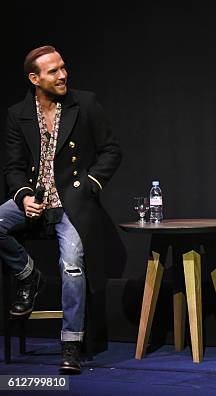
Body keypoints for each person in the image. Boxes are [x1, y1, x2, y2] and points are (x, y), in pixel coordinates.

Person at [1, 45, 124, 373]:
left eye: (63, 67)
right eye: (53, 71)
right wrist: (23, 196)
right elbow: (13, 167)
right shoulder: (18, 114)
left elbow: (111, 150)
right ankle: (28, 276)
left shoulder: (84, 103)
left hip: (72, 203)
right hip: (35, 201)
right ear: (34, 78)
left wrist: (91, 184)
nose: (63, 75)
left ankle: (70, 345)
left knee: (71, 264)